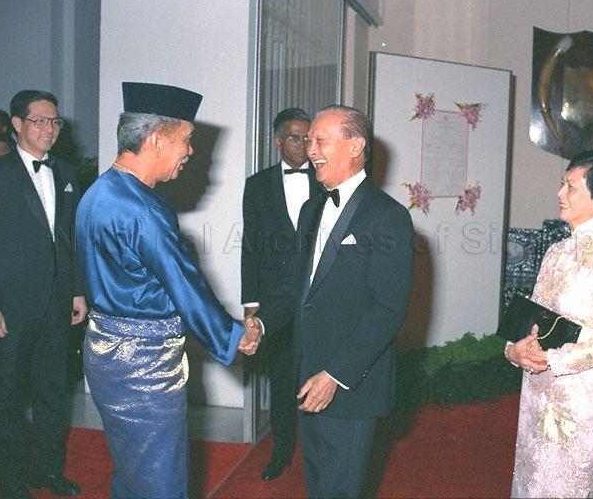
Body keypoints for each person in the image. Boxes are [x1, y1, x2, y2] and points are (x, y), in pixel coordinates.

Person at [76, 82, 250, 499]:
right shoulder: (144, 209)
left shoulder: (97, 192)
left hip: (104, 355)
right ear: (156, 140)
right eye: (186, 140)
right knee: (161, 483)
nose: (189, 152)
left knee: (132, 474)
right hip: (145, 369)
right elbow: (185, 284)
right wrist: (234, 335)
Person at [242, 105, 415, 498]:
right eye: (307, 140)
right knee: (319, 484)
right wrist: (262, 322)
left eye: (320, 140)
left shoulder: (389, 218)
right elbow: (293, 287)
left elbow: (387, 309)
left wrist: (334, 375)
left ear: (355, 145)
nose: (310, 148)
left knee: (341, 489)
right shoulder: (312, 208)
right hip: (307, 373)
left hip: (350, 383)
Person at [0, 90, 87, 499]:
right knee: (7, 400)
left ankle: (49, 472)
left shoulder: (68, 173)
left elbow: (69, 240)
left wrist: (77, 292)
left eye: (54, 121)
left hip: (57, 305)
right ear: (17, 124)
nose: (49, 129)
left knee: (53, 393)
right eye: (39, 120)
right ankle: (14, 483)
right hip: (10, 307)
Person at [504, 150, 593, 498]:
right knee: (530, 487)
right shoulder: (556, 252)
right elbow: (531, 319)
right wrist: (515, 350)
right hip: (537, 392)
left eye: (571, 187)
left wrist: (554, 360)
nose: (560, 193)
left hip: (580, 403)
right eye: (563, 184)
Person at [241, 107, 318, 480]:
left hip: (318, 297)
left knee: (320, 375)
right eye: (294, 137)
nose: (303, 145)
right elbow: (250, 246)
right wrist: (252, 303)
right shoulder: (257, 185)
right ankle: (282, 451)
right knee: (283, 380)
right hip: (275, 302)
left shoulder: (326, 181)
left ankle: (320, 454)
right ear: (276, 141)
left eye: (308, 137)